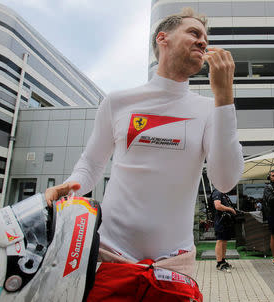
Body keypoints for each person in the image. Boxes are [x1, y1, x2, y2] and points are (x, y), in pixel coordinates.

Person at [44, 8, 244, 300]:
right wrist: (70, 186)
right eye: (193, 33)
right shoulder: (118, 102)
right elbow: (91, 164)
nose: (202, 41)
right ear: (162, 38)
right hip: (110, 255)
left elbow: (225, 181)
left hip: (173, 264)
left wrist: (224, 98)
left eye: (205, 37)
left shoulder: (207, 110)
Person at [211, 188, 237, 272]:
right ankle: (219, 263)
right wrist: (230, 209)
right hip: (220, 220)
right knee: (220, 240)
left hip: (225, 221)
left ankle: (223, 261)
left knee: (224, 241)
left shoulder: (223, 193)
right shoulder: (217, 192)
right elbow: (217, 206)